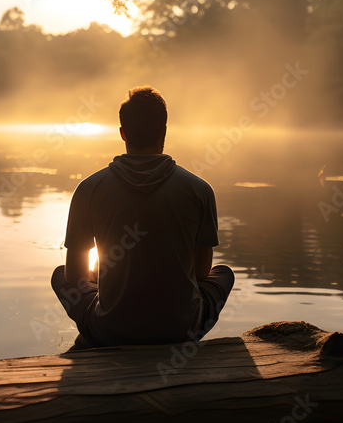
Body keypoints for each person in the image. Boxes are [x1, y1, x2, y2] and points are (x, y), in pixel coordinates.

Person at [50, 86, 235, 347]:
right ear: (165, 131)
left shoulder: (89, 188)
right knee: (223, 273)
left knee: (60, 275)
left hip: (110, 332)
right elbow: (201, 273)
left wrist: (100, 278)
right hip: (182, 330)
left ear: (123, 133)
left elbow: (74, 275)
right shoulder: (199, 189)